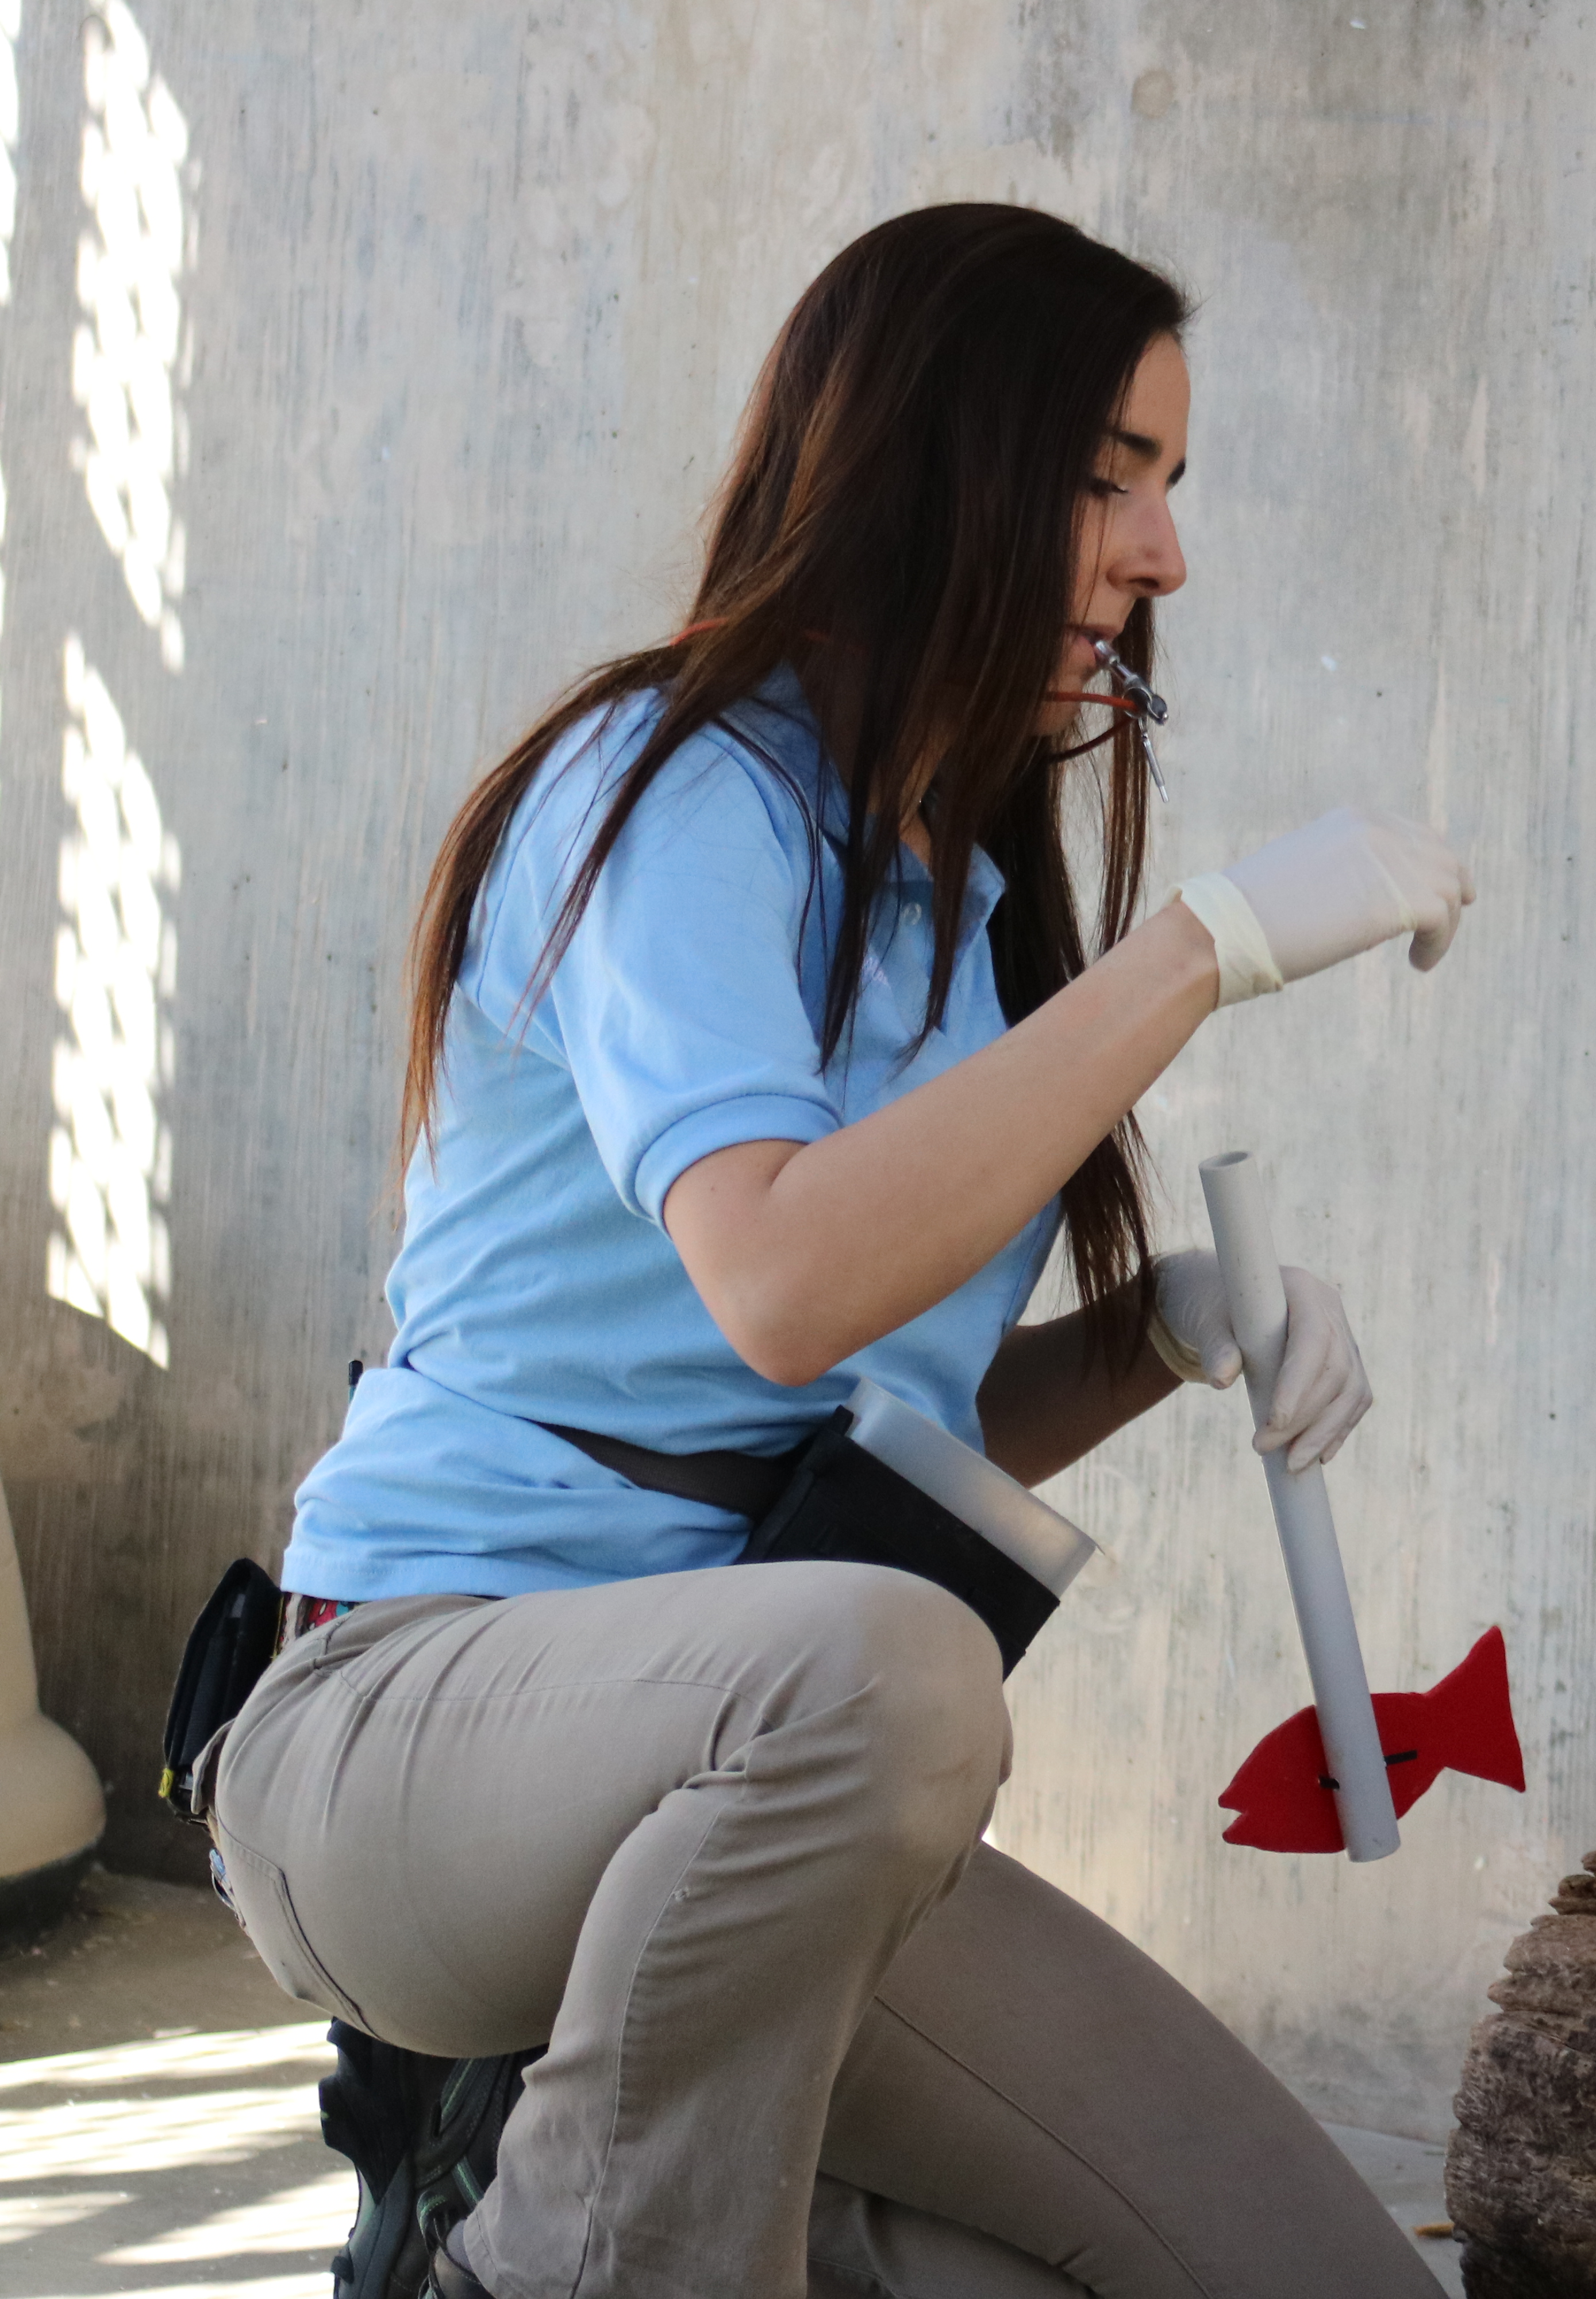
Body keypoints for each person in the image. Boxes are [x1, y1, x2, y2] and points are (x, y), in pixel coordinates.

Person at [195, 205, 1473, 2299]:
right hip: (407, 1743)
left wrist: (1158, 1334)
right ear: (928, 469)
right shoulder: (669, 798)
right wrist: (1203, 952)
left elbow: (858, 1410)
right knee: (895, 1671)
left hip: (748, 1804)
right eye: (1104, 479)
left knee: (1309, 2273)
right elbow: (779, 1282)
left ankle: (622, 2188)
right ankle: (543, 2266)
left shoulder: (953, 907)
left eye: (1167, 487)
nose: (1165, 560)